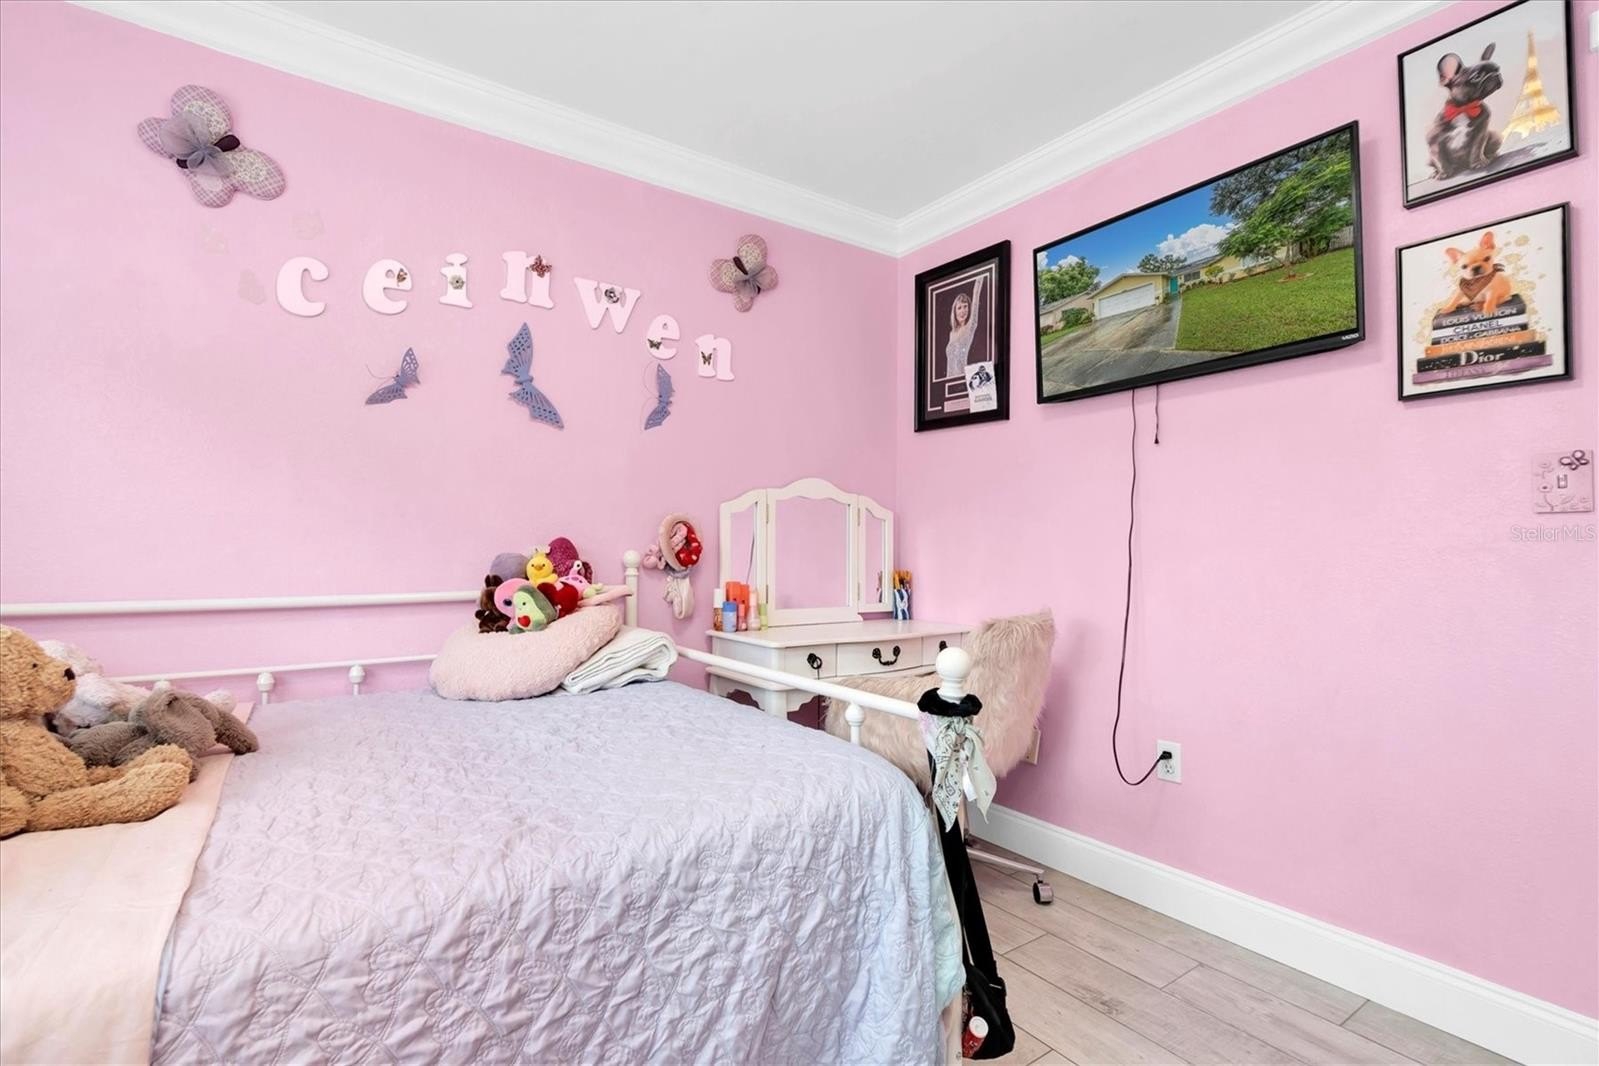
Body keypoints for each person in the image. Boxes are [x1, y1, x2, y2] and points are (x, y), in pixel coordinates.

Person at [944, 275, 985, 378]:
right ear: (954, 311)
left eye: (965, 306)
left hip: (962, 379)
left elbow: (976, 296)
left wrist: (979, 278)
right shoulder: (951, 334)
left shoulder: (970, 327)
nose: (963, 311)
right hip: (949, 381)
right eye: (959, 308)